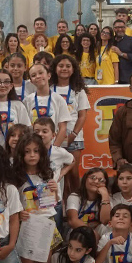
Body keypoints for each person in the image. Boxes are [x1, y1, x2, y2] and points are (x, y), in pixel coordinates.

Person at [12, 133, 62, 263]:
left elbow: (54, 203)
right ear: (21, 154)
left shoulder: (48, 174)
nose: (32, 155)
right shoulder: (16, 177)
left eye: (35, 151)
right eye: (27, 152)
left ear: (41, 153)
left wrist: (55, 192)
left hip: (45, 225)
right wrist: (18, 214)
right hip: (26, 226)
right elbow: (12, 203)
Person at [50, 54, 91, 194]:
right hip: (53, 139)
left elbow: (82, 115)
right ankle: (61, 207)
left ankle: (74, 204)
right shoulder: (49, 89)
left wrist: (73, 134)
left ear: (73, 69)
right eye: (61, 66)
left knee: (73, 174)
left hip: (74, 137)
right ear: (55, 69)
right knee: (57, 174)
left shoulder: (78, 90)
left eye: (68, 66)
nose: (64, 69)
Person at [23, 63, 71, 146]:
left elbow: (62, 128)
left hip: (53, 145)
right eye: (33, 75)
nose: (38, 76)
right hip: (33, 147)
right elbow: (26, 127)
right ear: (31, 81)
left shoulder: (59, 100)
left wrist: (54, 149)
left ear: (48, 75)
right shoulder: (27, 100)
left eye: (41, 73)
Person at [32, 117, 75, 207]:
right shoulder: (30, 153)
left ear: (53, 135)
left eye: (44, 131)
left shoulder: (59, 152)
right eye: (36, 131)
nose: (40, 134)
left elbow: (73, 161)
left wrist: (62, 173)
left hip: (54, 198)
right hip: (33, 198)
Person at [66, 168, 111, 238]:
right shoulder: (75, 197)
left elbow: (105, 221)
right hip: (80, 230)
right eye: (93, 178)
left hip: (98, 230)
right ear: (85, 180)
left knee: (105, 228)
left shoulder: (107, 198)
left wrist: (105, 195)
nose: (96, 181)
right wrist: (91, 233)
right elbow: (72, 221)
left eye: (101, 180)